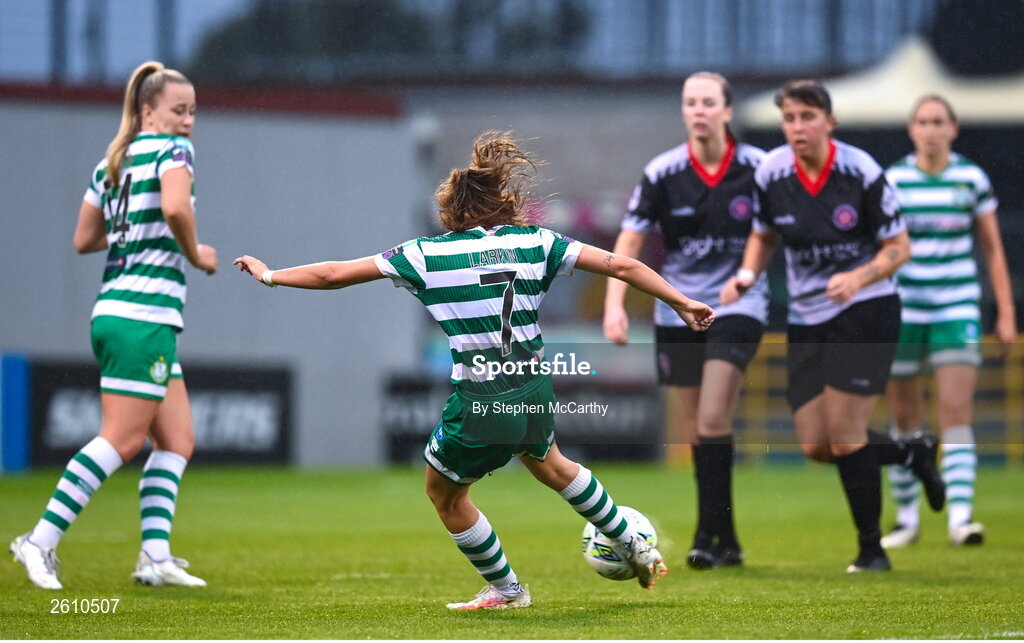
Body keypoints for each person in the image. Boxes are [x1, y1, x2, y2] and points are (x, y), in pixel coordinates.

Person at [234, 131, 716, 609]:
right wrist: (681, 301)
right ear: (502, 203)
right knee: (549, 463)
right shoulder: (537, 242)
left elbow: (334, 275)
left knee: (443, 493)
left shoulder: (427, 254)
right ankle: (630, 540)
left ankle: (508, 592)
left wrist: (272, 275)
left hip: (483, 395)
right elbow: (622, 266)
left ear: (452, 210)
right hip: (533, 385)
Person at [720, 80, 945, 572]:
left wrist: (857, 276)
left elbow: (899, 248)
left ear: (830, 122)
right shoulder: (773, 172)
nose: (798, 127)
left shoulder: (859, 170)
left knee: (846, 436)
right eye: (790, 119)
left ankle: (872, 550)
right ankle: (913, 455)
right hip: (806, 316)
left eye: (808, 117)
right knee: (817, 445)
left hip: (867, 309)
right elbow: (763, 234)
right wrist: (745, 275)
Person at [10, 61, 217, 590]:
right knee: (121, 440)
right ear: (148, 111)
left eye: (192, 111)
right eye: (178, 110)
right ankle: (38, 541)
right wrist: (195, 254)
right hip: (142, 315)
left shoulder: (112, 162)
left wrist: (132, 232)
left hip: (114, 310)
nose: (188, 120)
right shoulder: (174, 151)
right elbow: (174, 207)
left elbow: (84, 238)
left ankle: (154, 556)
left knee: (177, 439)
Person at [603, 72, 767, 570]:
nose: (698, 110)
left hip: (739, 307)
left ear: (727, 111)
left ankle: (704, 535)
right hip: (676, 309)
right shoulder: (663, 171)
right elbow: (629, 243)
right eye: (690, 102)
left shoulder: (761, 168)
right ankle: (728, 538)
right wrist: (615, 305)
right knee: (700, 427)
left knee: (714, 416)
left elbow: (780, 232)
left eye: (708, 102)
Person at [881, 95, 1017, 549]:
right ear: (911, 129)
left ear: (953, 129)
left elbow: (994, 249)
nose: (931, 129)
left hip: (957, 304)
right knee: (905, 418)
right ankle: (906, 518)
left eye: (938, 121)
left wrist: (1006, 310)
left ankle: (961, 518)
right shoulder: (894, 179)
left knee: (956, 412)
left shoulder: (970, 179)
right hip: (904, 306)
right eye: (922, 121)